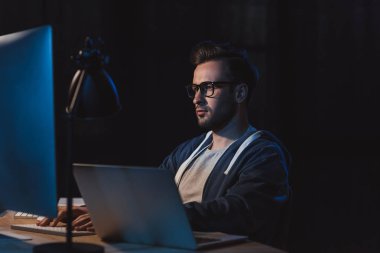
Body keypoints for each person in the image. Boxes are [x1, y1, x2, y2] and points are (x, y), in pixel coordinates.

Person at [38, 40, 291, 248]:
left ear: (239, 93)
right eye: (194, 89)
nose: (197, 99)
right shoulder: (189, 151)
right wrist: (100, 210)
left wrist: (135, 216)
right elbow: (148, 198)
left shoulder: (264, 155)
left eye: (208, 88)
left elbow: (236, 212)